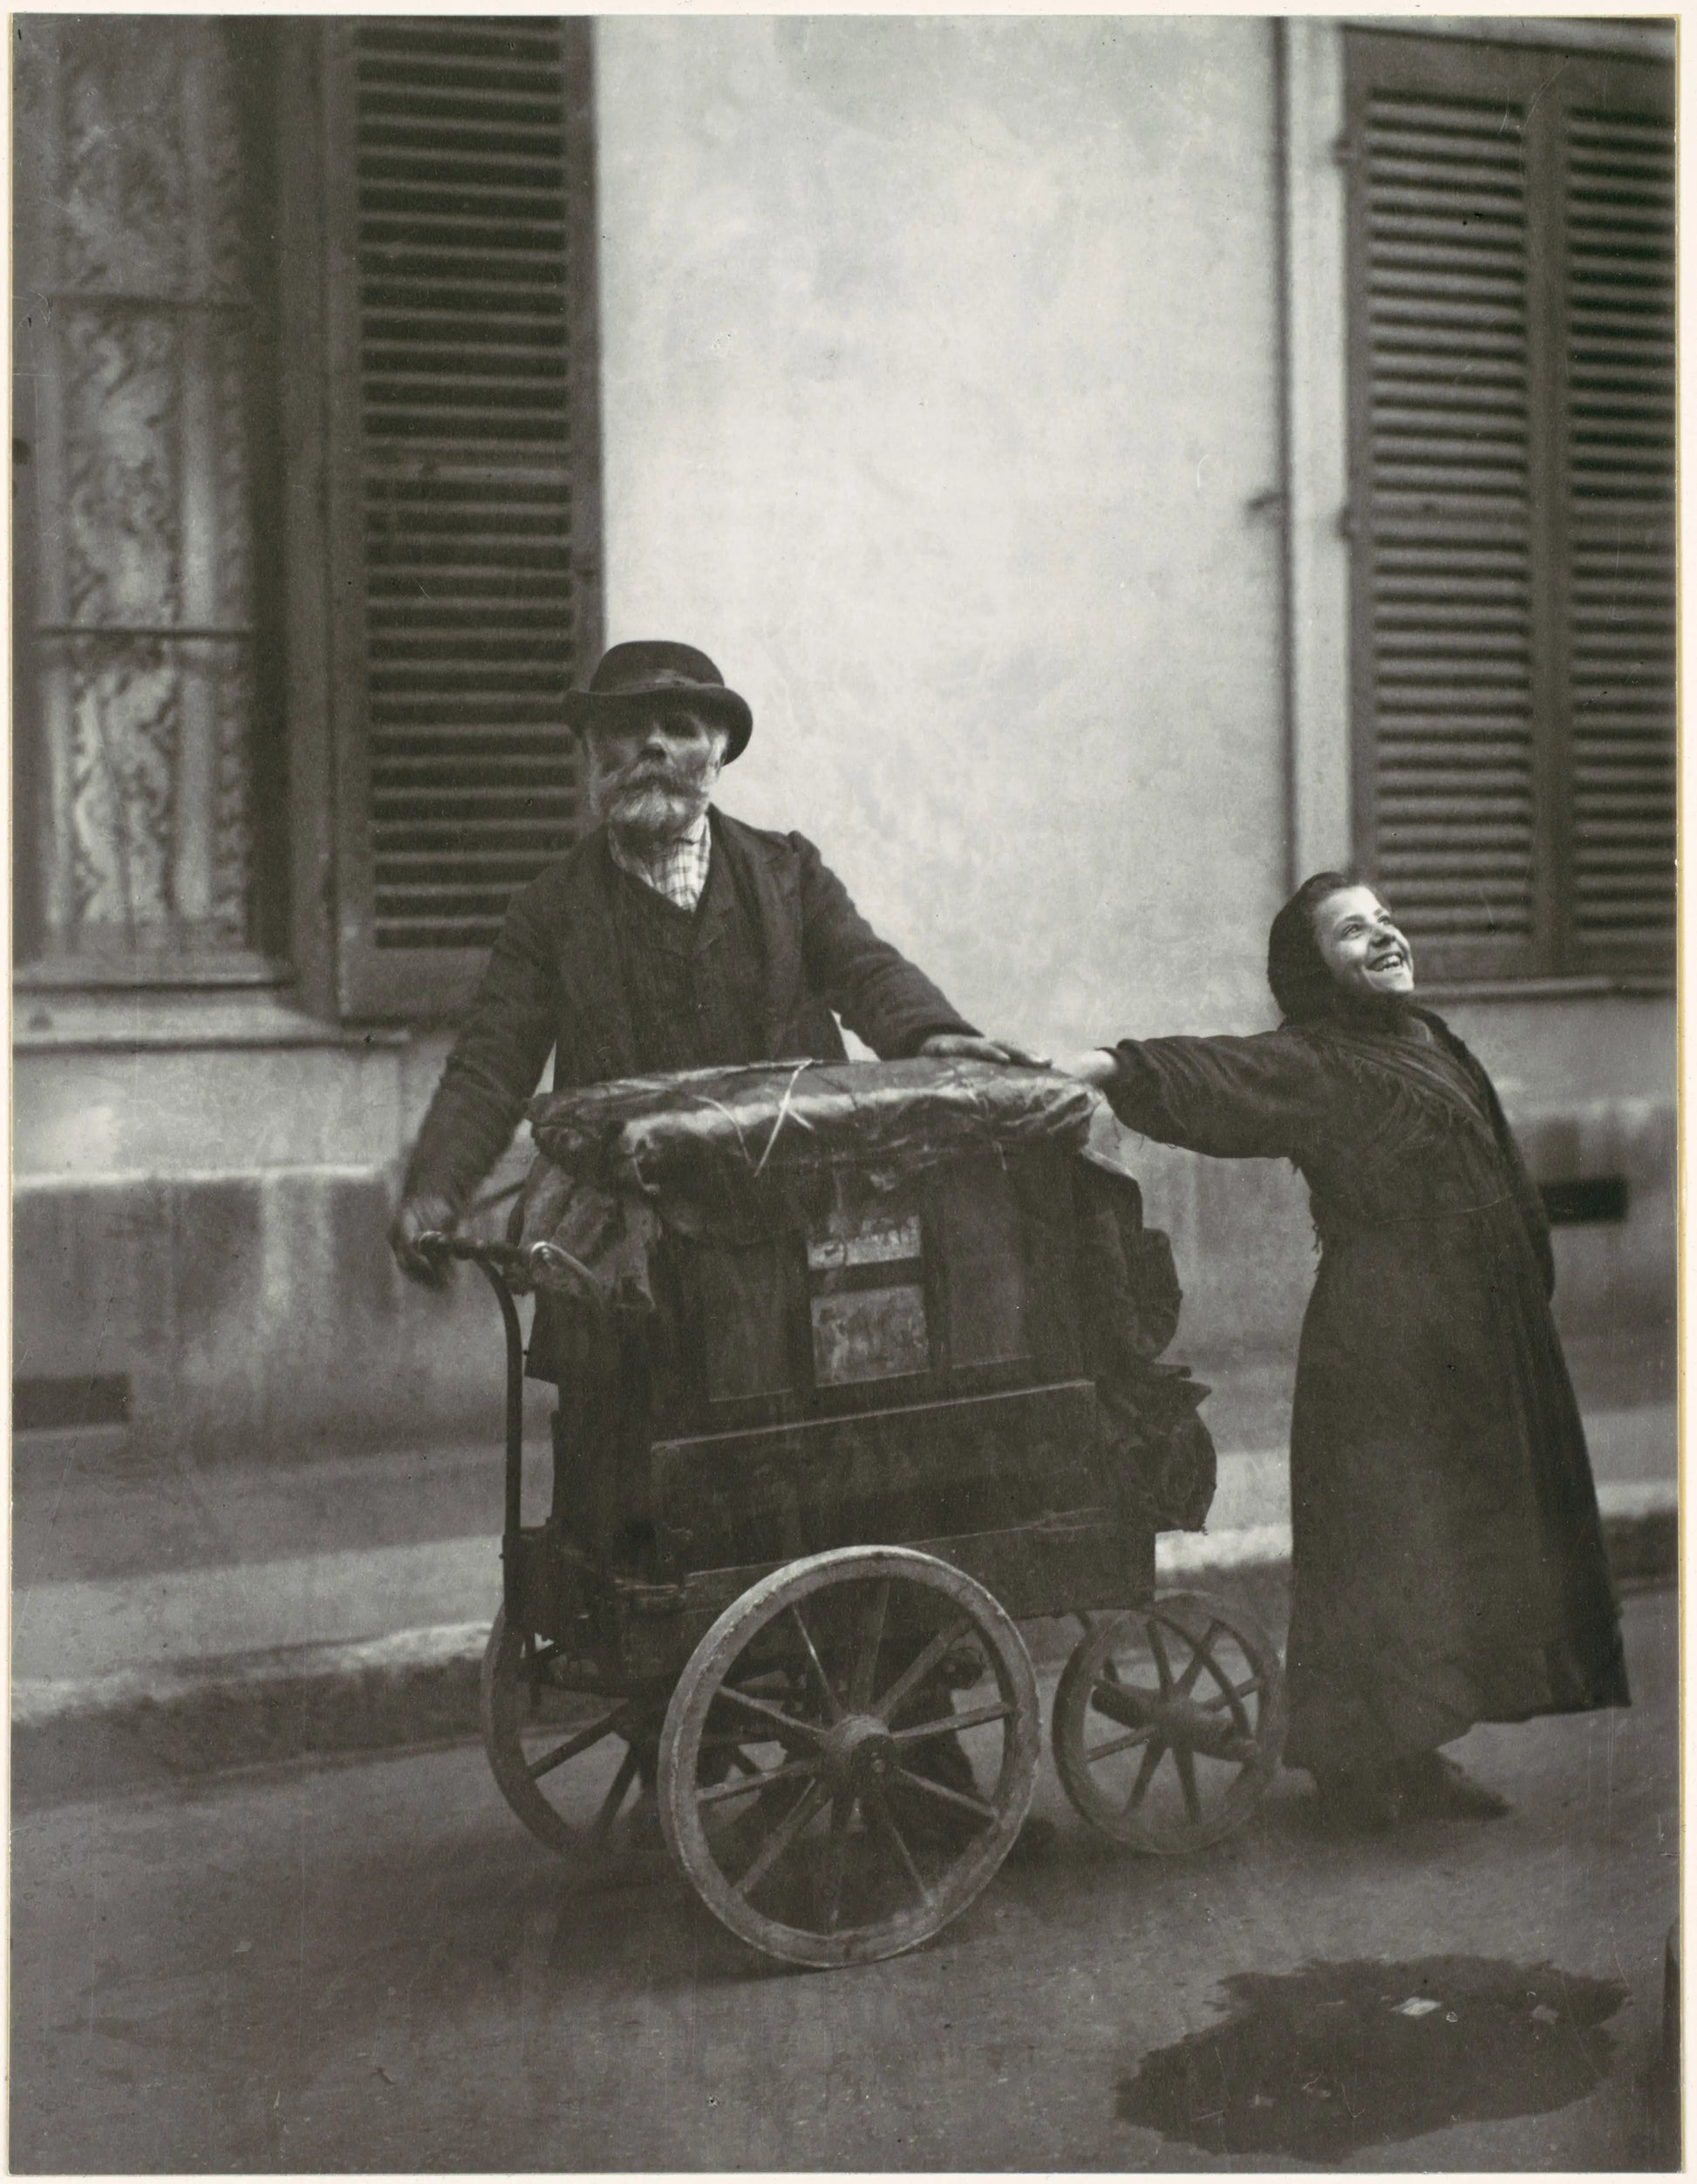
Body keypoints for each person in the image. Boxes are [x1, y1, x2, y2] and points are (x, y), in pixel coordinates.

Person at [1053, 872, 1629, 1830]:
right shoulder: (1315, 1062)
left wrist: (1524, 1286)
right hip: (1385, 1342)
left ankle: (1418, 1751)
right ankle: (1358, 1769)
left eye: (1384, 921)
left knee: (1450, 1544)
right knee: (1385, 1547)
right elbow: (1221, 1072)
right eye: (1350, 933)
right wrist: (1107, 1066)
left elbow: (1499, 1164)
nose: (1383, 937)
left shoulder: (1431, 1041)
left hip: (1477, 1335)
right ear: (1310, 971)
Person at [390, 639, 1037, 1277]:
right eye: (626, 726)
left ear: (719, 751)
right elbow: (489, 1066)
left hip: (791, 1225)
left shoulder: (789, 876)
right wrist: (436, 1188)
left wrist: (936, 1033)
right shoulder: (549, 909)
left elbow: (867, 970)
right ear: (590, 747)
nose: (653, 745)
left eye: (679, 727)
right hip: (627, 1247)